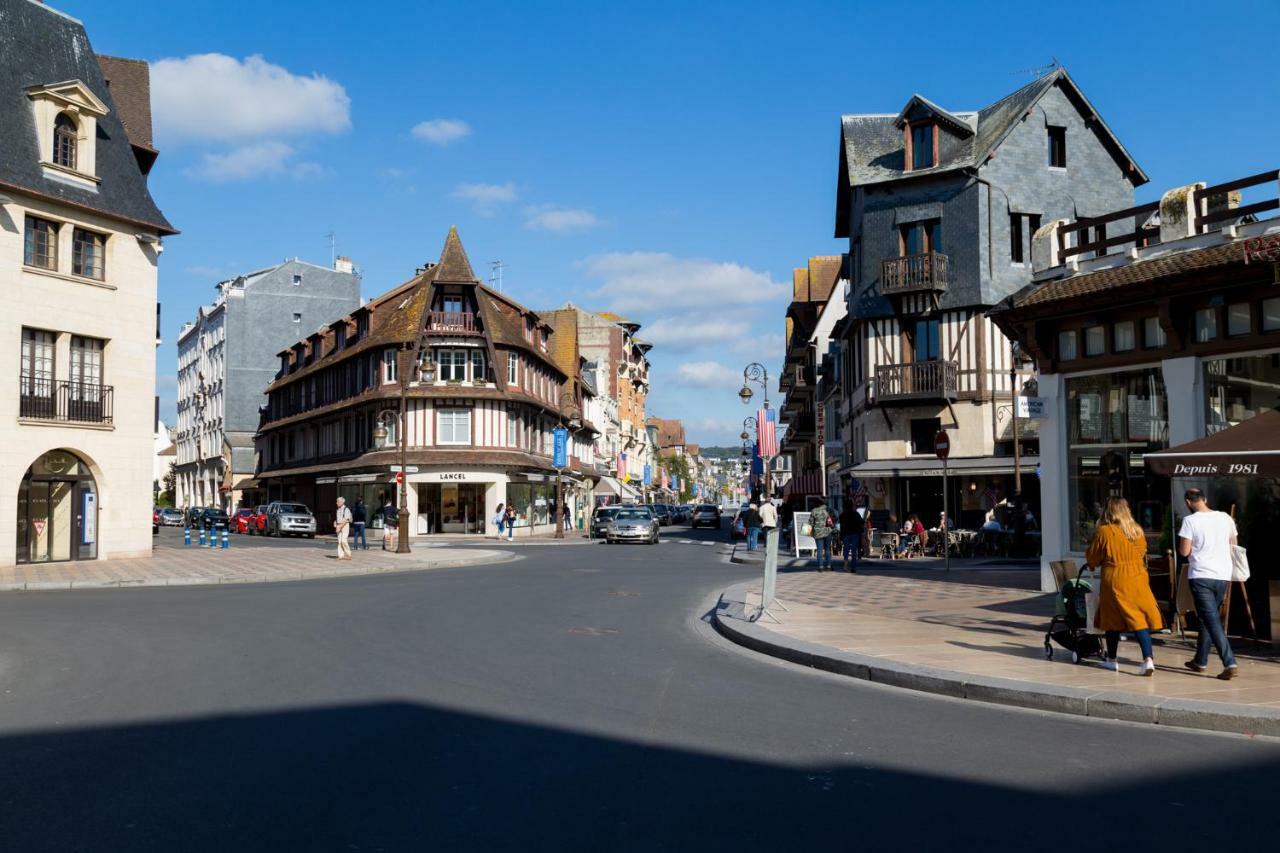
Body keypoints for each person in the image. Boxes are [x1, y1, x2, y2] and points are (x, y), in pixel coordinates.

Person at [1087, 497, 1163, 675]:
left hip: (1115, 577)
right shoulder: (1136, 530)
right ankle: (1148, 659)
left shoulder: (1104, 531)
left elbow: (1093, 558)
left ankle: (1112, 660)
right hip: (1138, 577)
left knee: (1110, 618)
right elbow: (1143, 551)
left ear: (1108, 510)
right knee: (1138, 617)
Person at [1178, 488, 1239, 680]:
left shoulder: (1190, 521)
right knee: (1207, 617)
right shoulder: (1225, 518)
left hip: (1201, 575)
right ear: (1204, 499)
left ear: (1188, 502)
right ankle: (1200, 661)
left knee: (1211, 620)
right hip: (1222, 574)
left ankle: (1229, 662)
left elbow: (1184, 552)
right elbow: (1234, 544)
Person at [839, 500, 862, 573]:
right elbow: (861, 522)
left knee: (846, 549)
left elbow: (841, 525)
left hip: (846, 534)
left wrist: (841, 535)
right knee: (854, 551)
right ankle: (853, 567)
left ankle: (845, 564)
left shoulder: (842, 515)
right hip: (855, 534)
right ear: (852, 506)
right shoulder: (856, 514)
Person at [810, 500, 834, 570]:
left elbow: (811, 522)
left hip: (818, 533)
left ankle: (820, 566)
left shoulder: (814, 511)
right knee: (827, 550)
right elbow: (832, 520)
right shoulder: (827, 510)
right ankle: (829, 566)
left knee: (819, 550)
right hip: (827, 532)